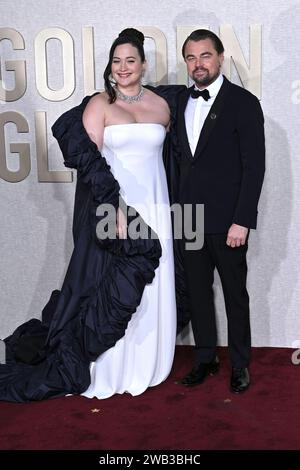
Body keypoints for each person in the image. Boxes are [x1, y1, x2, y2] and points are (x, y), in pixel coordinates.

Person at [0, 29, 182, 402]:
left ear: (143, 65)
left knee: (153, 285)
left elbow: (170, 159)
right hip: (115, 207)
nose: (123, 68)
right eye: (116, 61)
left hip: (157, 205)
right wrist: (112, 207)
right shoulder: (100, 104)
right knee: (110, 283)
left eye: (130, 60)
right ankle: (112, 367)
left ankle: (149, 362)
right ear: (110, 67)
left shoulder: (163, 107)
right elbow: (91, 163)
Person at [176, 29, 265, 393]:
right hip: (189, 218)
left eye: (205, 56)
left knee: (234, 294)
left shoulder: (243, 103)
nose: (198, 64)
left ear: (220, 57)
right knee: (197, 292)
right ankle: (205, 357)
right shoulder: (180, 100)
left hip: (229, 219)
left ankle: (240, 364)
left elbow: (254, 167)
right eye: (191, 58)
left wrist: (242, 220)